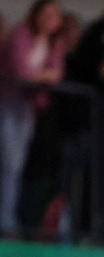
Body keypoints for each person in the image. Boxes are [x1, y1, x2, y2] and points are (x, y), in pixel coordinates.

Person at [0, 0, 66, 238]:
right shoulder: (21, 33)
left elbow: (57, 74)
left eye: (55, 14)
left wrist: (39, 75)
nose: (51, 18)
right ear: (36, 14)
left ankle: (6, 221)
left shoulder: (54, 42)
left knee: (14, 164)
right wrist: (42, 75)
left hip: (28, 106)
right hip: (7, 101)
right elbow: (20, 71)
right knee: (8, 161)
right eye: (46, 13)